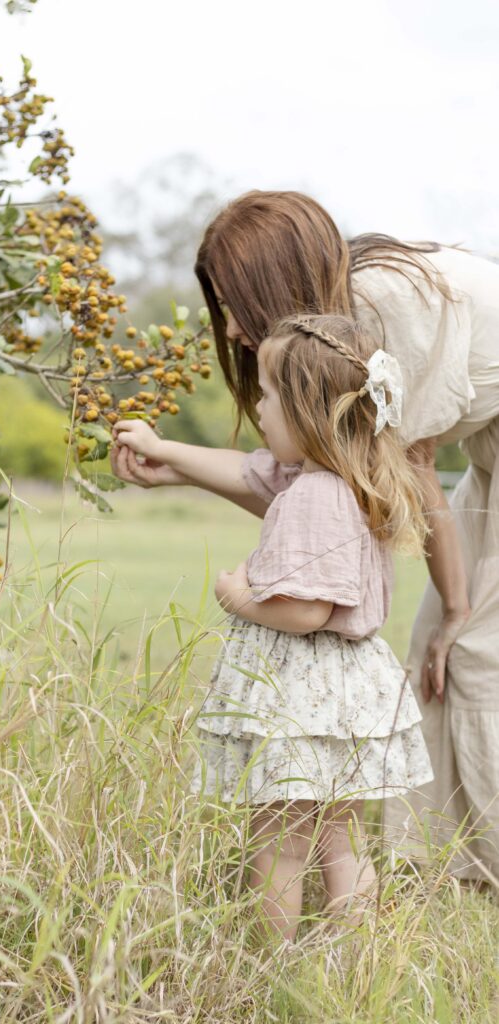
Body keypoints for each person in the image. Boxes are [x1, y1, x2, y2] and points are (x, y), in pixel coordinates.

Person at [111, 190, 499, 882]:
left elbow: (398, 480)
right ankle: (448, 872)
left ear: (270, 283)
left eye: (232, 304)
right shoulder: (328, 342)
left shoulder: (378, 321)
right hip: (487, 456)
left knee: (471, 656)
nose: (229, 331)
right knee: (432, 653)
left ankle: (476, 868)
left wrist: (459, 609)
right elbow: (296, 485)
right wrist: (172, 465)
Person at [113, 313, 433, 940]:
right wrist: (164, 448)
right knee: (341, 838)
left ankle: (271, 966)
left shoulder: (315, 496)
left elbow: (307, 611)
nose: (258, 408)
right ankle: (355, 963)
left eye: (266, 394)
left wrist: (241, 599)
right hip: (342, 694)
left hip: (300, 695)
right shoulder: (345, 480)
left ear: (307, 411)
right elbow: (256, 470)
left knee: (279, 845)